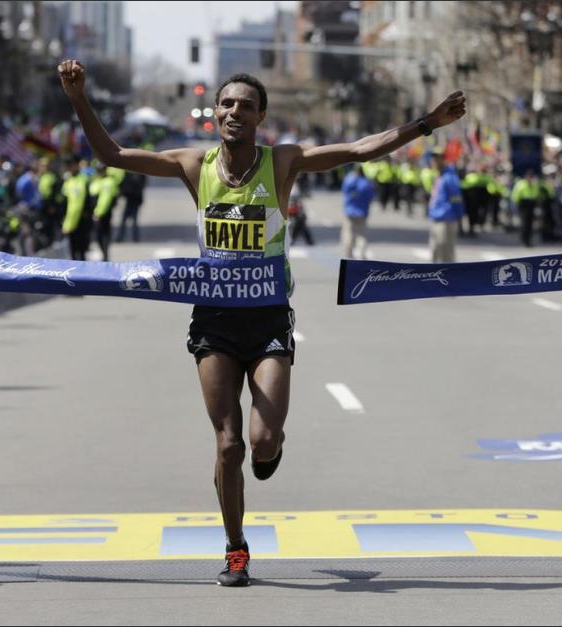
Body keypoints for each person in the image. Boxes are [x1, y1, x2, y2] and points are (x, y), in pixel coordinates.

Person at [58, 59, 465, 587]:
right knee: (228, 444)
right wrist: (78, 97)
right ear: (215, 116)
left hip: (269, 320)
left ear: (261, 117)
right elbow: (111, 155)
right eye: (226, 104)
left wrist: (428, 123)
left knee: (263, 441)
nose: (234, 112)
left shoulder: (283, 164)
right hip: (215, 322)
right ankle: (235, 548)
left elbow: (362, 148)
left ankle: (270, 450)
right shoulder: (193, 165)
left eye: (246, 106)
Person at [427, 152, 464, 262]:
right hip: (436, 218)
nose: (433, 162)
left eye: (436, 159)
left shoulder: (450, 177)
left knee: (446, 254)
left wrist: (459, 217)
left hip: (446, 220)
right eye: (432, 159)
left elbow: (456, 199)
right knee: (435, 251)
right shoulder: (439, 175)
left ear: (442, 160)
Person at [340, 164, 375, 259]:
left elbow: (344, 190)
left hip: (349, 211)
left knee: (348, 233)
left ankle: (348, 253)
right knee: (362, 234)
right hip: (362, 212)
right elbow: (371, 197)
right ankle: (361, 253)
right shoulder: (366, 183)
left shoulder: (349, 180)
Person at [60, 158, 90, 261]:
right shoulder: (67, 181)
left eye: (71, 165)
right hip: (70, 219)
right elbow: (64, 201)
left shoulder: (84, 179)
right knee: (72, 249)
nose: (70, 168)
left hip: (82, 219)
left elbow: (86, 200)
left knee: (82, 249)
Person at [90, 163, 118, 262]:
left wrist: (98, 213)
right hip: (95, 213)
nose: (100, 172)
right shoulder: (96, 181)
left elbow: (104, 200)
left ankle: (105, 255)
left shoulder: (108, 182)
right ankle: (104, 254)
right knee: (98, 236)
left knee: (104, 235)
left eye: (101, 170)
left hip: (103, 214)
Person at [116, 169, 147, 243]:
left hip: (134, 199)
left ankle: (134, 237)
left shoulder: (139, 173)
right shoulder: (129, 172)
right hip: (130, 199)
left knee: (133, 220)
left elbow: (141, 185)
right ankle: (122, 237)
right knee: (126, 220)